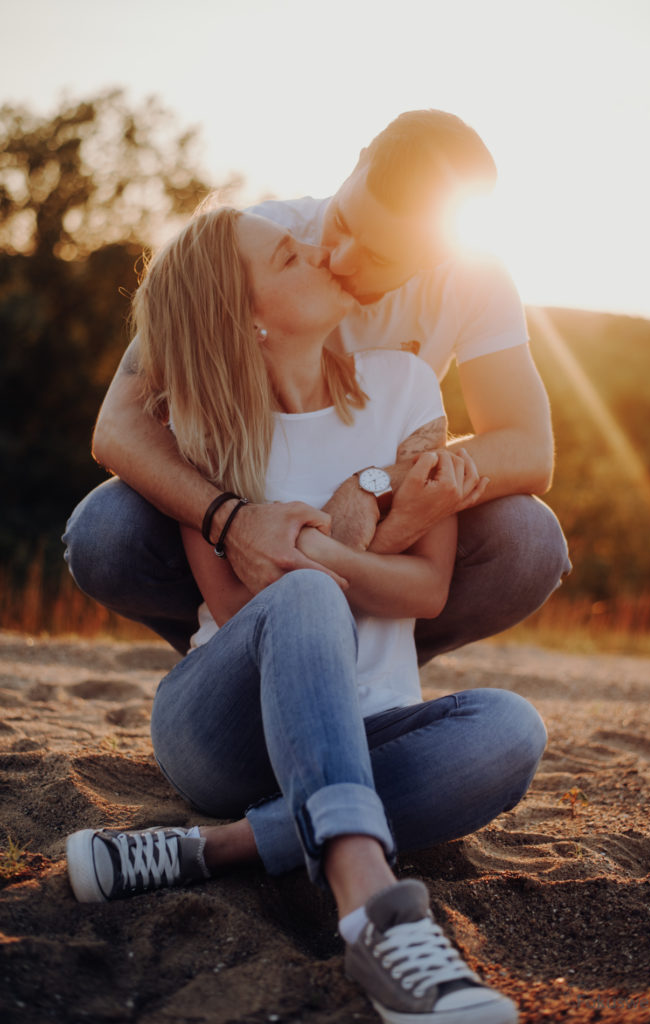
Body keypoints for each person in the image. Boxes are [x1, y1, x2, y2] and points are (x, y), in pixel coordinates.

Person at [66, 205, 544, 1024]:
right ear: (246, 319)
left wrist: (326, 532)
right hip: (220, 732)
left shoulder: (404, 388)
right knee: (301, 595)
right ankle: (372, 909)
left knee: (511, 731)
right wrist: (345, 560)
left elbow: (425, 592)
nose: (323, 255)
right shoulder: (205, 429)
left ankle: (217, 848)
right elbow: (235, 604)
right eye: (290, 260)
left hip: (364, 725)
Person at [63, 109, 571, 661]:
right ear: (357, 164)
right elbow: (118, 427)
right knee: (106, 530)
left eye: (380, 255)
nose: (341, 258)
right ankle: (228, 658)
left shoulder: (475, 280)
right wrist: (234, 522)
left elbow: (526, 447)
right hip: (250, 512)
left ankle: (378, 666)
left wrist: (373, 485)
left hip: (374, 532)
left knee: (529, 540)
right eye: (346, 222)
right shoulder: (254, 244)